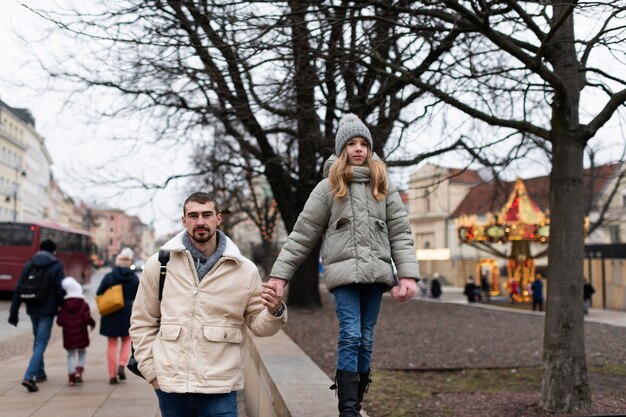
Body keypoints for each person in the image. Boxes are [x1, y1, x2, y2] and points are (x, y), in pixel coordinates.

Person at [267, 114, 419, 417]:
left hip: (376, 274)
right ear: (342, 149)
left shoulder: (383, 187)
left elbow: (401, 233)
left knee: (366, 338)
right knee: (350, 335)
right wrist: (279, 276)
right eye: (352, 144)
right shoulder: (329, 187)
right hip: (344, 275)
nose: (358, 149)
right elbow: (302, 234)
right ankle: (347, 411)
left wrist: (408, 276)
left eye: (363, 143)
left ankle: (356, 403)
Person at [130, 192, 286, 417]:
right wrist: (152, 374)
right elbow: (142, 321)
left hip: (220, 388)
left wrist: (274, 311)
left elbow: (259, 325)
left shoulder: (244, 269)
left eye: (207, 215)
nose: (200, 222)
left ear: (218, 218)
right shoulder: (159, 264)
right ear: (184, 221)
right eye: (193, 216)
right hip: (170, 387)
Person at [8, 239, 65, 392]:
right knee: (41, 341)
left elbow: (19, 287)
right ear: (53, 251)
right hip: (48, 309)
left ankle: (40, 372)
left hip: (32, 306)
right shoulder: (56, 266)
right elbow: (60, 290)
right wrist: (63, 307)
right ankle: (29, 376)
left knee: (37, 339)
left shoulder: (30, 263)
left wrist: (13, 311)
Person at [96, 247, 139, 384]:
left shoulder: (109, 277)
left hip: (111, 313)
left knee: (112, 344)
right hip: (127, 312)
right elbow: (137, 297)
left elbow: (99, 293)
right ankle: (122, 364)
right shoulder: (134, 279)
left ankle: (112, 374)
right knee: (127, 340)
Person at [56, 276, 96, 386]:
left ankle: (71, 378)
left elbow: (59, 322)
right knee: (82, 352)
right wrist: (93, 324)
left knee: (70, 355)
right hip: (81, 333)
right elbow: (87, 318)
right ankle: (79, 370)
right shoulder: (83, 304)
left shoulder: (63, 305)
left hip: (68, 335)